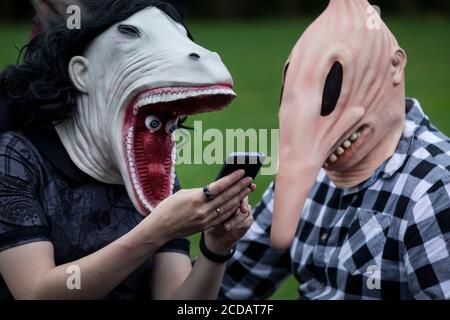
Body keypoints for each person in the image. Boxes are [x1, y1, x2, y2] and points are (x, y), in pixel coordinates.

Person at [0, 0, 255, 300]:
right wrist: (155, 231)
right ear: (82, 73)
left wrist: (216, 247)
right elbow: (35, 292)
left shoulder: (153, 167)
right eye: (131, 33)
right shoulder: (16, 159)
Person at [221, 0, 450, 300]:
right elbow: (228, 288)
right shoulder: (307, 175)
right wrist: (213, 244)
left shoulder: (434, 190)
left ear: (395, 66)